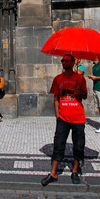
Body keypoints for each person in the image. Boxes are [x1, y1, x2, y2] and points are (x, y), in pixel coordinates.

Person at [41, 54, 87, 186]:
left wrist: (79, 92)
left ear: (73, 63)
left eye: (66, 61)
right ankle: (53, 173)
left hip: (78, 117)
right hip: (63, 118)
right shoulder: (58, 79)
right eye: (62, 61)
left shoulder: (80, 79)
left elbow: (85, 96)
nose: (64, 63)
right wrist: (57, 116)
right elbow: (56, 98)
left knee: (78, 146)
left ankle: (74, 171)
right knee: (58, 144)